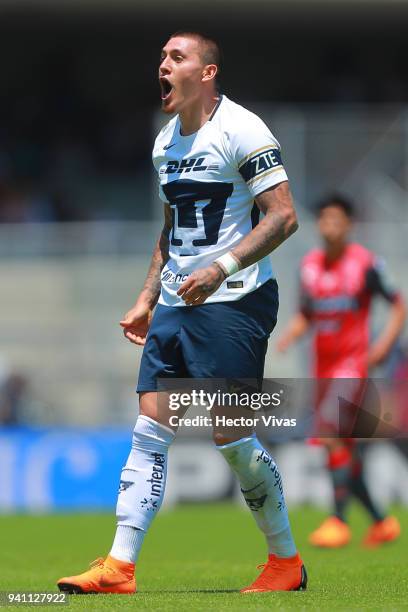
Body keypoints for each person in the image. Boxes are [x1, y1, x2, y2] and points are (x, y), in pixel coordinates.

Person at [57, 31, 307, 595]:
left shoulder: (243, 130)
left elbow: (284, 216)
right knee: (150, 426)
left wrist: (219, 268)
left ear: (207, 72)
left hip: (236, 300)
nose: (162, 67)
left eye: (176, 58)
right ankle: (119, 568)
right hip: (175, 302)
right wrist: (147, 298)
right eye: (162, 58)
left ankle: (285, 563)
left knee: (232, 439)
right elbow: (172, 229)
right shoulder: (165, 140)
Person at [277, 194, 406, 548]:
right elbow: (307, 313)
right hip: (323, 367)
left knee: (331, 434)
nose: (328, 225)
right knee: (340, 448)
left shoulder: (366, 264)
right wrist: (292, 332)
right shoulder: (309, 266)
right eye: (323, 219)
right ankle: (381, 522)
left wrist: (382, 347)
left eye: (335, 219)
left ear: (348, 224)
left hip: (353, 365)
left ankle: (337, 521)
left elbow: (398, 307)